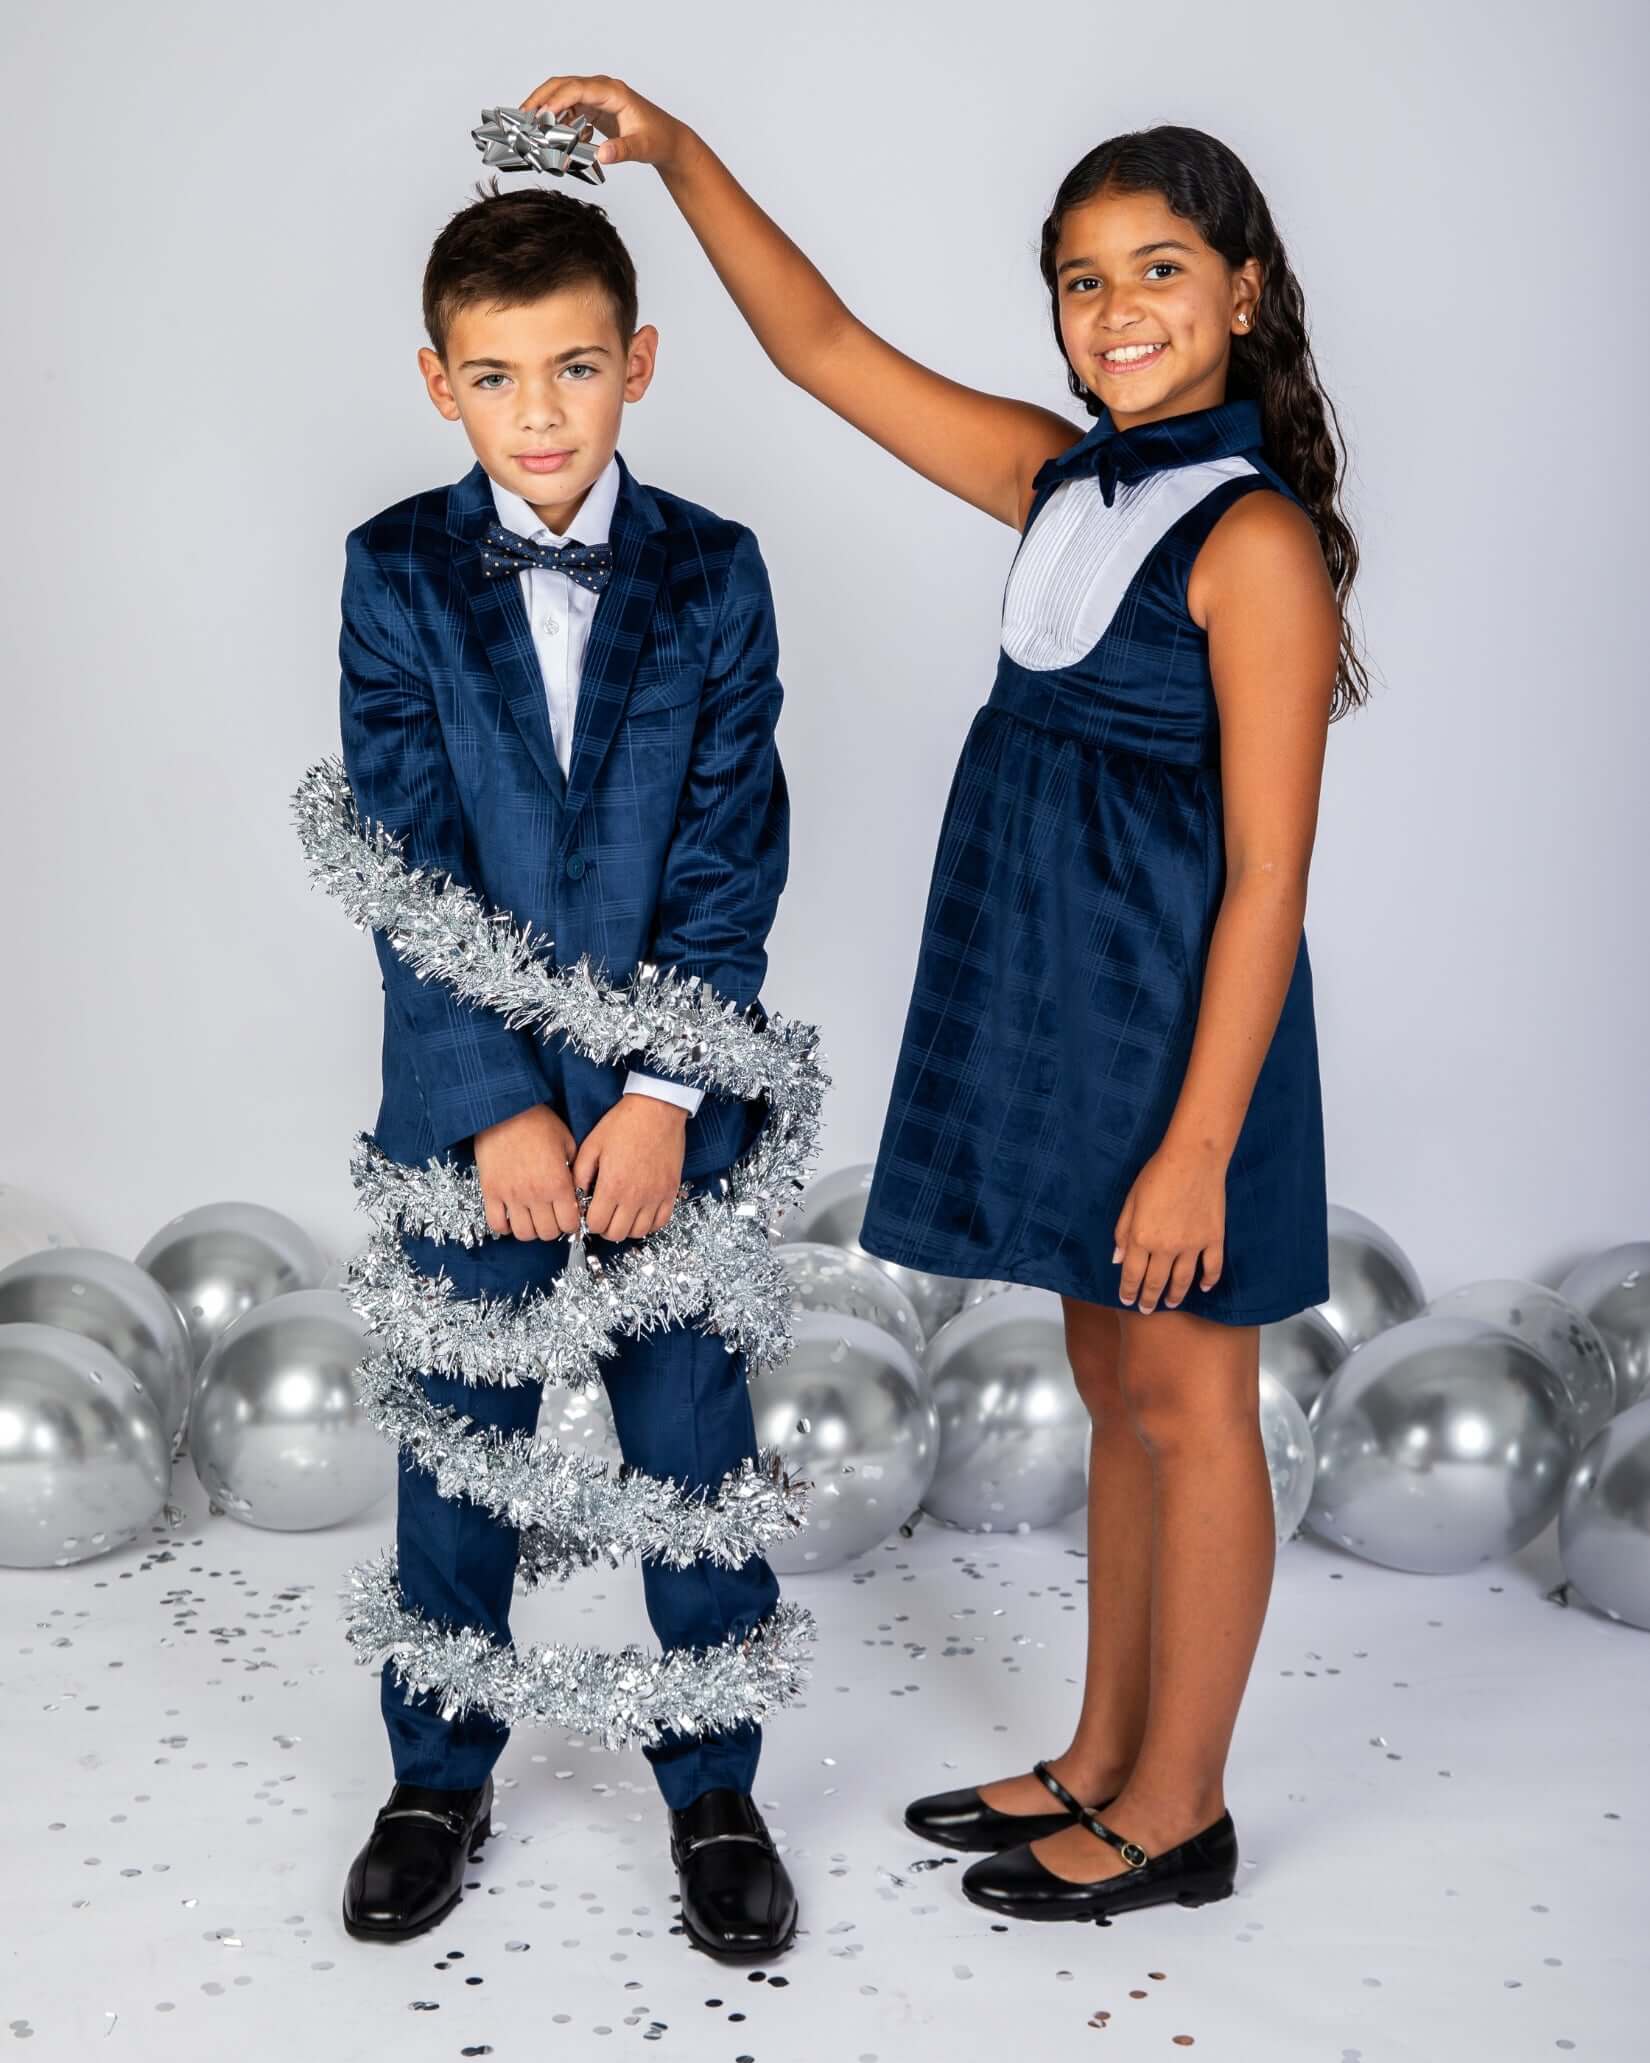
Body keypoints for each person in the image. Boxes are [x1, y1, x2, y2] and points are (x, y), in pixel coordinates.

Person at [518, 73, 1366, 1927]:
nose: (1114, 309)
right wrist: (674, 154)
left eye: (1157, 269)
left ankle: (1183, 1810)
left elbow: (1270, 880)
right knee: (1108, 1373)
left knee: (1190, 1394)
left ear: (1241, 292)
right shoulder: (1062, 479)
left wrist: (1200, 1144)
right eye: (1077, 279)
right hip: (1050, 1008)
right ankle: (1101, 1751)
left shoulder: (1251, 543)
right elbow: (820, 345)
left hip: (1180, 1041)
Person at [336, 179, 799, 1960]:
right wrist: (503, 1103)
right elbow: (407, 855)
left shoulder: (715, 569)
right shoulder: (392, 570)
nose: (541, 411)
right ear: (442, 383)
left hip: (672, 1118)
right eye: (500, 374)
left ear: (640, 367)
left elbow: (729, 851)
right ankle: (431, 1779)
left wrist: (663, 1100)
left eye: (577, 369)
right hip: (469, 1118)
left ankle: (716, 1789)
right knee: (464, 1454)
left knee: (690, 1445)